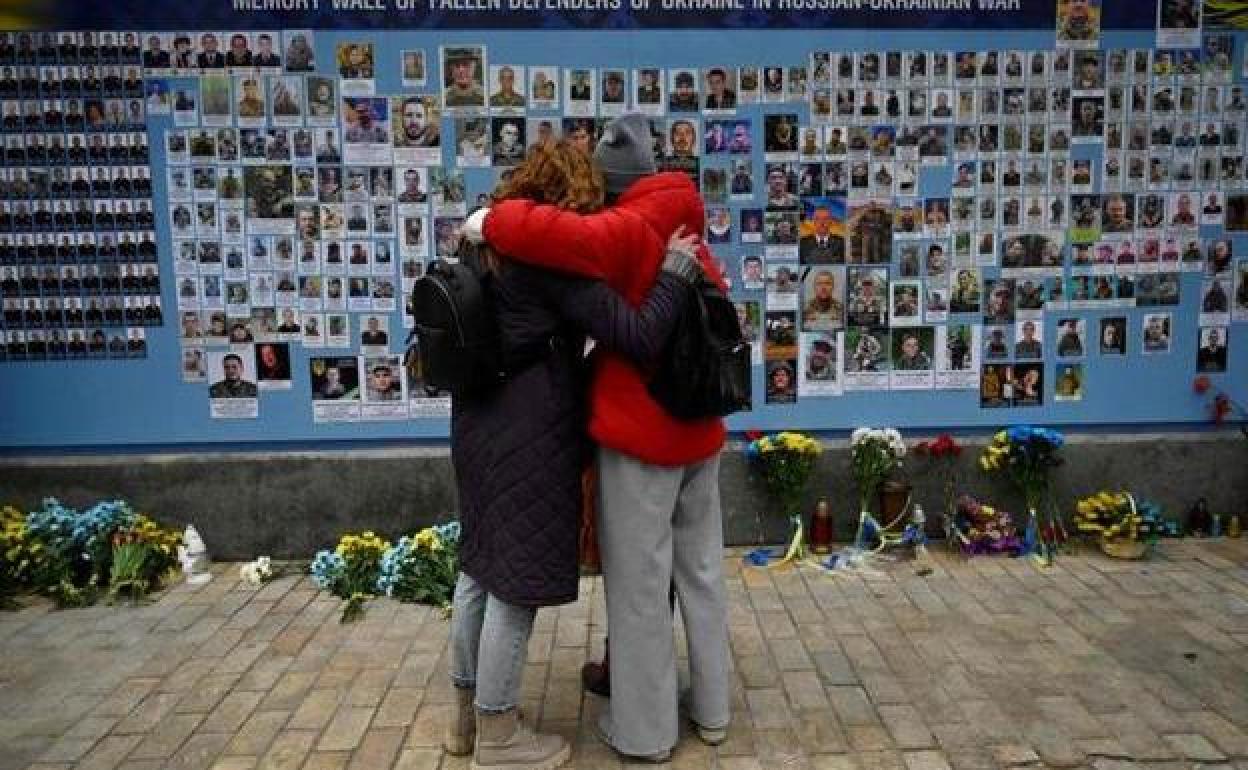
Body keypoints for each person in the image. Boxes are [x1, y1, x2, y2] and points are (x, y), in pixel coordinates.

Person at [466, 113, 732, 762]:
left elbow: (538, 230)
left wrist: (489, 219)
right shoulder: (686, 215)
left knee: (639, 589)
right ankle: (713, 710)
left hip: (641, 436)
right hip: (701, 433)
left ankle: (644, 733)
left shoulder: (625, 227)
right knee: (701, 576)